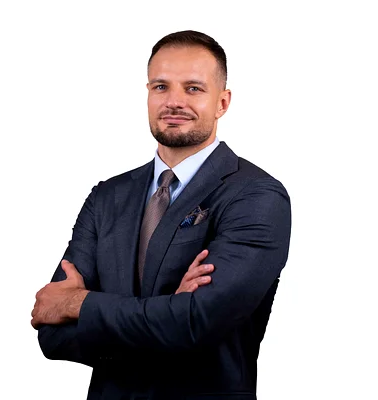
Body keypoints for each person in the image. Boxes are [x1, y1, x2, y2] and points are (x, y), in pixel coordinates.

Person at [31, 30, 291, 400]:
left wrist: (79, 304)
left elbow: (195, 322)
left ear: (222, 102)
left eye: (193, 88)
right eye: (161, 87)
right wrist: (167, 317)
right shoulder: (107, 197)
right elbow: (52, 333)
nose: (174, 101)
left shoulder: (256, 195)